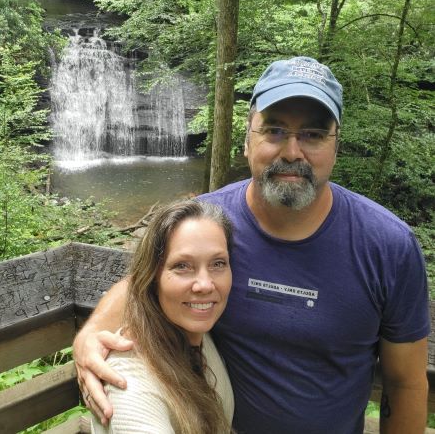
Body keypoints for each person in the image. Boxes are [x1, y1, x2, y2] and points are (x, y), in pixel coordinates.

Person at [74, 57, 430, 434]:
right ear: (247, 140)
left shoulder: (388, 246)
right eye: (274, 131)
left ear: (335, 147)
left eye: (312, 134)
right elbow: (142, 283)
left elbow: (405, 382)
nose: (292, 152)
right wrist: (89, 336)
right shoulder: (210, 223)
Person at [88, 199, 235, 433]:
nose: (205, 285)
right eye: (182, 266)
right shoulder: (129, 382)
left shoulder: (194, 332)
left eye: (218, 263)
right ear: (152, 277)